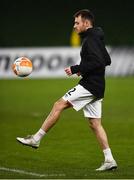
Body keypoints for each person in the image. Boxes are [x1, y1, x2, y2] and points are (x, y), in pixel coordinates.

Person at [17, 9, 117, 171]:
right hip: (98, 85)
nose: (74, 26)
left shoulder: (90, 40)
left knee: (59, 105)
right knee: (94, 123)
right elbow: (107, 60)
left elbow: (99, 62)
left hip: (90, 85)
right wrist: (83, 69)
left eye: (77, 23)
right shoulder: (96, 37)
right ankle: (109, 159)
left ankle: (36, 139)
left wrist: (76, 67)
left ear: (86, 23)